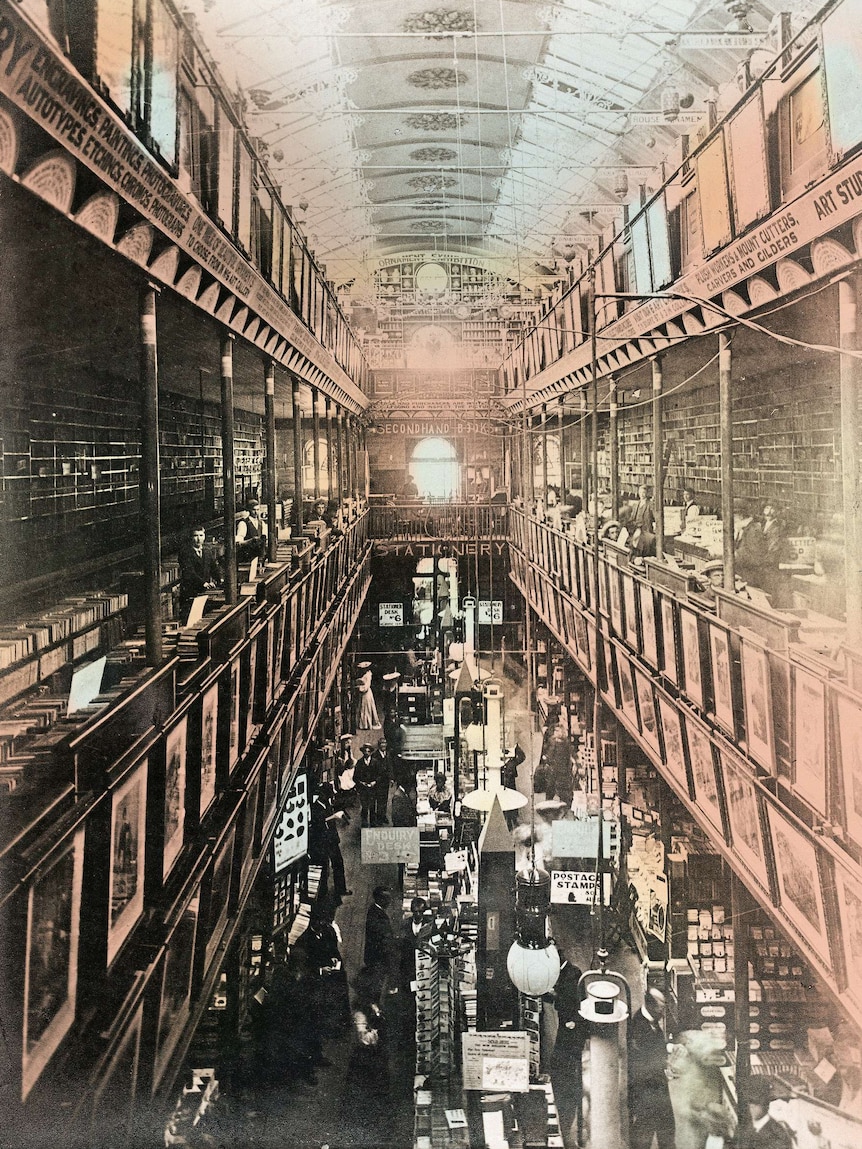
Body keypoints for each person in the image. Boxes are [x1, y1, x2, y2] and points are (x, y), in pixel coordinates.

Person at [628, 987, 676, 1149]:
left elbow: (656, 1046)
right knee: (644, 1132)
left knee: (666, 1129)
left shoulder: (651, 1020)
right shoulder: (638, 1026)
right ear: (650, 1005)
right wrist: (667, 1067)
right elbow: (644, 1061)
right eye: (661, 1007)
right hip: (645, 1091)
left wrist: (669, 1048)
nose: (663, 1011)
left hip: (656, 1086)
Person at [550, 953, 587, 1146]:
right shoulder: (568, 972)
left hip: (571, 1027)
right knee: (562, 1063)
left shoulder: (571, 975)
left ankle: (567, 1110)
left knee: (563, 1063)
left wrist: (573, 1021)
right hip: (569, 1025)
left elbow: (571, 1001)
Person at [363, 885, 398, 1001]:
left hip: (373, 954)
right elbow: (384, 939)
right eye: (387, 898)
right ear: (380, 899)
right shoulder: (379, 917)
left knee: (376, 980)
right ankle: (374, 1005)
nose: (389, 901)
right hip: (377, 957)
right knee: (376, 982)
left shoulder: (373, 910)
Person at [739, 1076, 794, 1148]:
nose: (751, 1106)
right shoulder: (744, 1128)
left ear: (767, 1103)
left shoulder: (779, 1136)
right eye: (748, 1102)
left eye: (756, 1102)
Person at [177, 526, 222, 615]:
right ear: (191, 537)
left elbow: (214, 568)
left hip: (205, 591)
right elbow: (189, 572)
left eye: (201, 535)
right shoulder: (185, 553)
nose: (198, 539)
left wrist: (219, 580)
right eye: (195, 536)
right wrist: (203, 583)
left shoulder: (207, 551)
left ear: (204, 536)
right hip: (190, 592)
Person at [354, 743, 385, 827]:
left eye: (368, 751)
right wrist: (361, 783)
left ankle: (373, 823)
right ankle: (364, 823)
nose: (366, 753)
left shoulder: (375, 762)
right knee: (364, 807)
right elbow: (355, 777)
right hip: (363, 789)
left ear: (371, 752)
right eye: (365, 751)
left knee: (372, 806)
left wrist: (374, 782)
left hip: (373, 788)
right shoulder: (359, 763)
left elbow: (380, 775)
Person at [235, 496, 267, 563]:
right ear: (249, 510)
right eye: (254, 510)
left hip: (259, 558)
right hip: (248, 557)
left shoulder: (261, 523)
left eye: (258, 510)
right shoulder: (243, 523)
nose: (256, 512)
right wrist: (250, 541)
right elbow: (238, 542)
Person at [355, 662, 380, 730]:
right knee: (364, 707)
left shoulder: (368, 675)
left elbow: (366, 686)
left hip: (366, 692)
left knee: (366, 708)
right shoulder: (366, 675)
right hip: (365, 692)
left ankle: (366, 724)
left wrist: (360, 688)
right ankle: (364, 723)